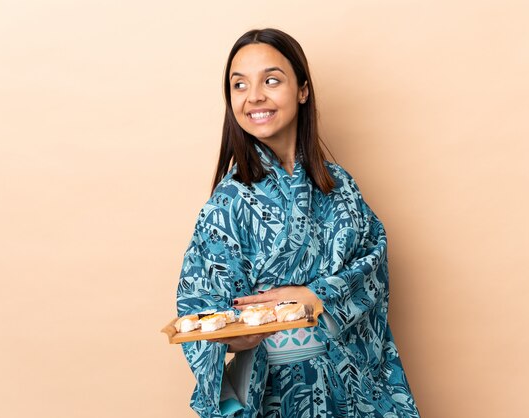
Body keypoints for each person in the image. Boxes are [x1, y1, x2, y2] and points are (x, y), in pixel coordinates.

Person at [176, 28, 420, 418]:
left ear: (303, 90)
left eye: (271, 80)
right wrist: (242, 334)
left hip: (354, 381)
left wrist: (318, 297)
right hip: (279, 391)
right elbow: (199, 312)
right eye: (239, 85)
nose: (254, 96)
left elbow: (374, 259)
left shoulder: (340, 186)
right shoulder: (228, 203)